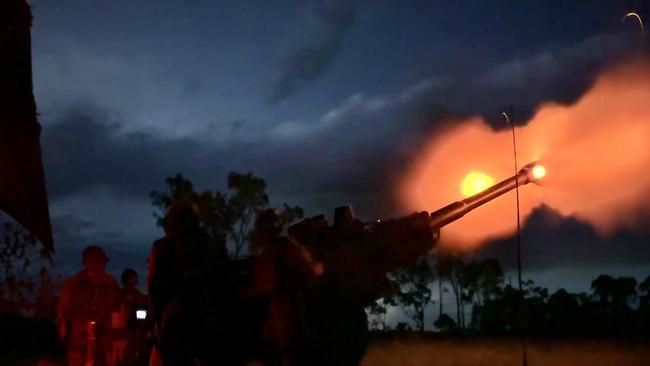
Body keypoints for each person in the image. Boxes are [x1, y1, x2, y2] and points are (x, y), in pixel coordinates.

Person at [57, 245, 120, 366]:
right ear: (86, 262)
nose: (97, 264)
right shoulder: (74, 283)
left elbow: (116, 306)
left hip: (103, 334)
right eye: (93, 260)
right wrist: (63, 325)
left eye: (99, 260)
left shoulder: (110, 283)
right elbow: (63, 307)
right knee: (78, 359)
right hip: (80, 333)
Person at [113, 269, 150, 366]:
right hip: (122, 329)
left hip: (135, 329)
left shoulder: (139, 295)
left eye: (135, 278)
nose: (136, 281)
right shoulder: (119, 295)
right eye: (134, 278)